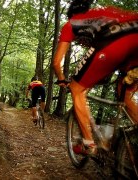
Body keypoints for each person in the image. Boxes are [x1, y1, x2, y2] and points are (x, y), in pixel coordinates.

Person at [53, 0, 138, 155]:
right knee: (123, 92)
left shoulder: (71, 23)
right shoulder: (107, 13)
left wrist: (61, 78)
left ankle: (89, 144)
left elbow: (57, 62)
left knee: (76, 89)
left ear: (72, 14)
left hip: (111, 43)